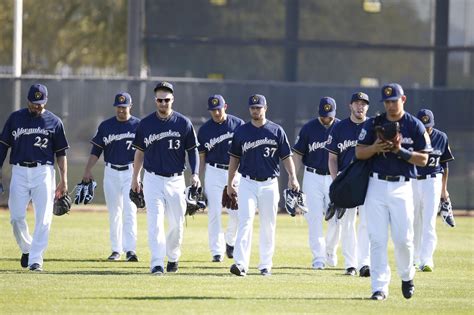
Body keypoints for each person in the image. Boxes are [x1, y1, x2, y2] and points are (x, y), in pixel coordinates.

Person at [356, 83, 431, 301]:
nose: (390, 105)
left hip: (402, 186)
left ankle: (407, 276)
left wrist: (400, 151)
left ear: (403, 100)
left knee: (403, 239)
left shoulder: (414, 125)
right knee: (377, 239)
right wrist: (375, 148)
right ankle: (379, 287)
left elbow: (424, 159)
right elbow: (359, 152)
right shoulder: (375, 123)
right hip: (376, 185)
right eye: (387, 101)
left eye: (394, 100)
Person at [131, 81, 200, 275]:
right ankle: (157, 263)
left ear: (173, 99)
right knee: (154, 222)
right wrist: (135, 177)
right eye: (160, 100)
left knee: (177, 224)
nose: (163, 103)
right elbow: (139, 153)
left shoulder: (183, 123)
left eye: (166, 100)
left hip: (176, 180)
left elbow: (192, 151)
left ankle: (173, 257)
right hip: (152, 178)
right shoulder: (145, 124)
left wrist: (195, 174)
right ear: (155, 101)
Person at [227, 94, 300, 277]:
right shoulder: (242, 131)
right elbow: (234, 159)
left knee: (268, 225)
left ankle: (265, 265)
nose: (255, 110)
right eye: (253, 107)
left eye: (258, 107)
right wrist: (230, 182)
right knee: (245, 222)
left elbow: (286, 157)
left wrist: (293, 177)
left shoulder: (276, 130)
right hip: (248, 182)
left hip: (269, 183)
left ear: (265, 108)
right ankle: (241, 264)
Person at [0, 83, 69, 272]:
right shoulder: (15, 119)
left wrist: (64, 180)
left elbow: (61, 153)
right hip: (20, 171)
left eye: (41, 103)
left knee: (44, 218)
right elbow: (3, 146)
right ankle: (27, 248)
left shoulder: (54, 122)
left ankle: (36, 259)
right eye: (34, 102)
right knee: (16, 216)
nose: (37, 106)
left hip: (43, 172)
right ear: (27, 101)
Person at [81, 92, 141, 262]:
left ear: (130, 106)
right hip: (111, 172)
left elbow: (144, 152)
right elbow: (96, 150)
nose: (121, 110)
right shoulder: (106, 126)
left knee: (130, 211)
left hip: (131, 171)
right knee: (114, 212)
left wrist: (140, 174)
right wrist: (87, 169)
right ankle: (116, 249)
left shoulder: (138, 125)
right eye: (118, 107)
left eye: (124, 107)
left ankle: (130, 250)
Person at [325, 92, 371, 277]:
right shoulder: (339, 128)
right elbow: (332, 158)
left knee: (367, 223)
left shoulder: (373, 125)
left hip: (368, 178)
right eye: (357, 103)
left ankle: (364, 263)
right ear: (350, 105)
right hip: (347, 179)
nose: (360, 107)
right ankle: (350, 264)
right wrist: (336, 181)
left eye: (364, 104)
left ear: (367, 107)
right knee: (347, 223)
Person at [292, 97, 339, 270]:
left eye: (329, 115)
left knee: (336, 218)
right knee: (314, 218)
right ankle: (318, 257)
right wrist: (293, 177)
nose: (326, 118)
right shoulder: (308, 128)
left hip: (335, 177)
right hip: (312, 175)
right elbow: (297, 154)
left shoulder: (340, 127)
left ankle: (330, 250)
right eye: (323, 115)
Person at [197, 95, 244, 262]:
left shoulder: (238, 125)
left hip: (235, 171)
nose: (216, 112)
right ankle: (216, 251)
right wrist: (197, 177)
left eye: (219, 108)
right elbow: (202, 158)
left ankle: (230, 242)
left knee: (238, 211)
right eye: (213, 110)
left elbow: (244, 152)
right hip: (214, 171)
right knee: (214, 212)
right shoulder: (204, 130)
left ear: (226, 106)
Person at [413, 109, 454, 272]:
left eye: (428, 126)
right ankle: (414, 259)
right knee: (414, 220)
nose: (426, 130)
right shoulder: (411, 137)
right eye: (423, 127)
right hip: (414, 181)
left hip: (433, 180)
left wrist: (444, 191)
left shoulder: (441, 137)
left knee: (429, 221)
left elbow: (445, 165)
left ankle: (427, 260)